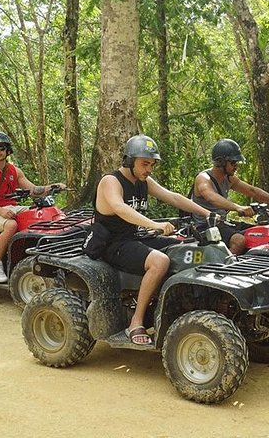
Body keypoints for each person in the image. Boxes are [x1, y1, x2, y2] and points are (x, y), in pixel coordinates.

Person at [89, 134, 212, 346]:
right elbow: (120, 208)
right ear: (129, 161)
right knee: (160, 261)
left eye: (152, 165)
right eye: (144, 164)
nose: (149, 169)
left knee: (185, 248)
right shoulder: (111, 181)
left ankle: (170, 306)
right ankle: (135, 322)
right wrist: (154, 225)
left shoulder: (142, 181)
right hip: (113, 244)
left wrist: (208, 214)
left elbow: (172, 197)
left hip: (136, 239)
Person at [0, 131, 66, 283]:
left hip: (11, 207)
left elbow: (34, 190)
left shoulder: (14, 170)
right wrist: (1, 211)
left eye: (1, 147)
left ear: (8, 150)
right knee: (11, 225)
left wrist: (52, 187)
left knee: (39, 214)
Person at [189, 138, 269, 255]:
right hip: (205, 226)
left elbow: (252, 191)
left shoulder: (228, 179)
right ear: (222, 162)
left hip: (223, 224)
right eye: (233, 163)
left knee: (260, 233)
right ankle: (224, 269)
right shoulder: (203, 178)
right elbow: (211, 197)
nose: (236, 166)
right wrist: (238, 207)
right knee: (239, 241)